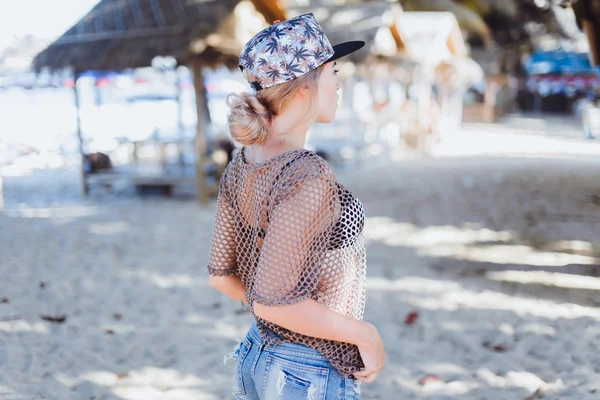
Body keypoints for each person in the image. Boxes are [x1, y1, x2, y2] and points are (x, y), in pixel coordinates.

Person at [207, 13, 385, 400]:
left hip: (256, 353)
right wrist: (364, 335)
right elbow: (274, 303)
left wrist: (275, 308)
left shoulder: (244, 162)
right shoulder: (307, 174)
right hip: (305, 369)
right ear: (303, 88)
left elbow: (223, 277)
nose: (338, 85)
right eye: (332, 72)